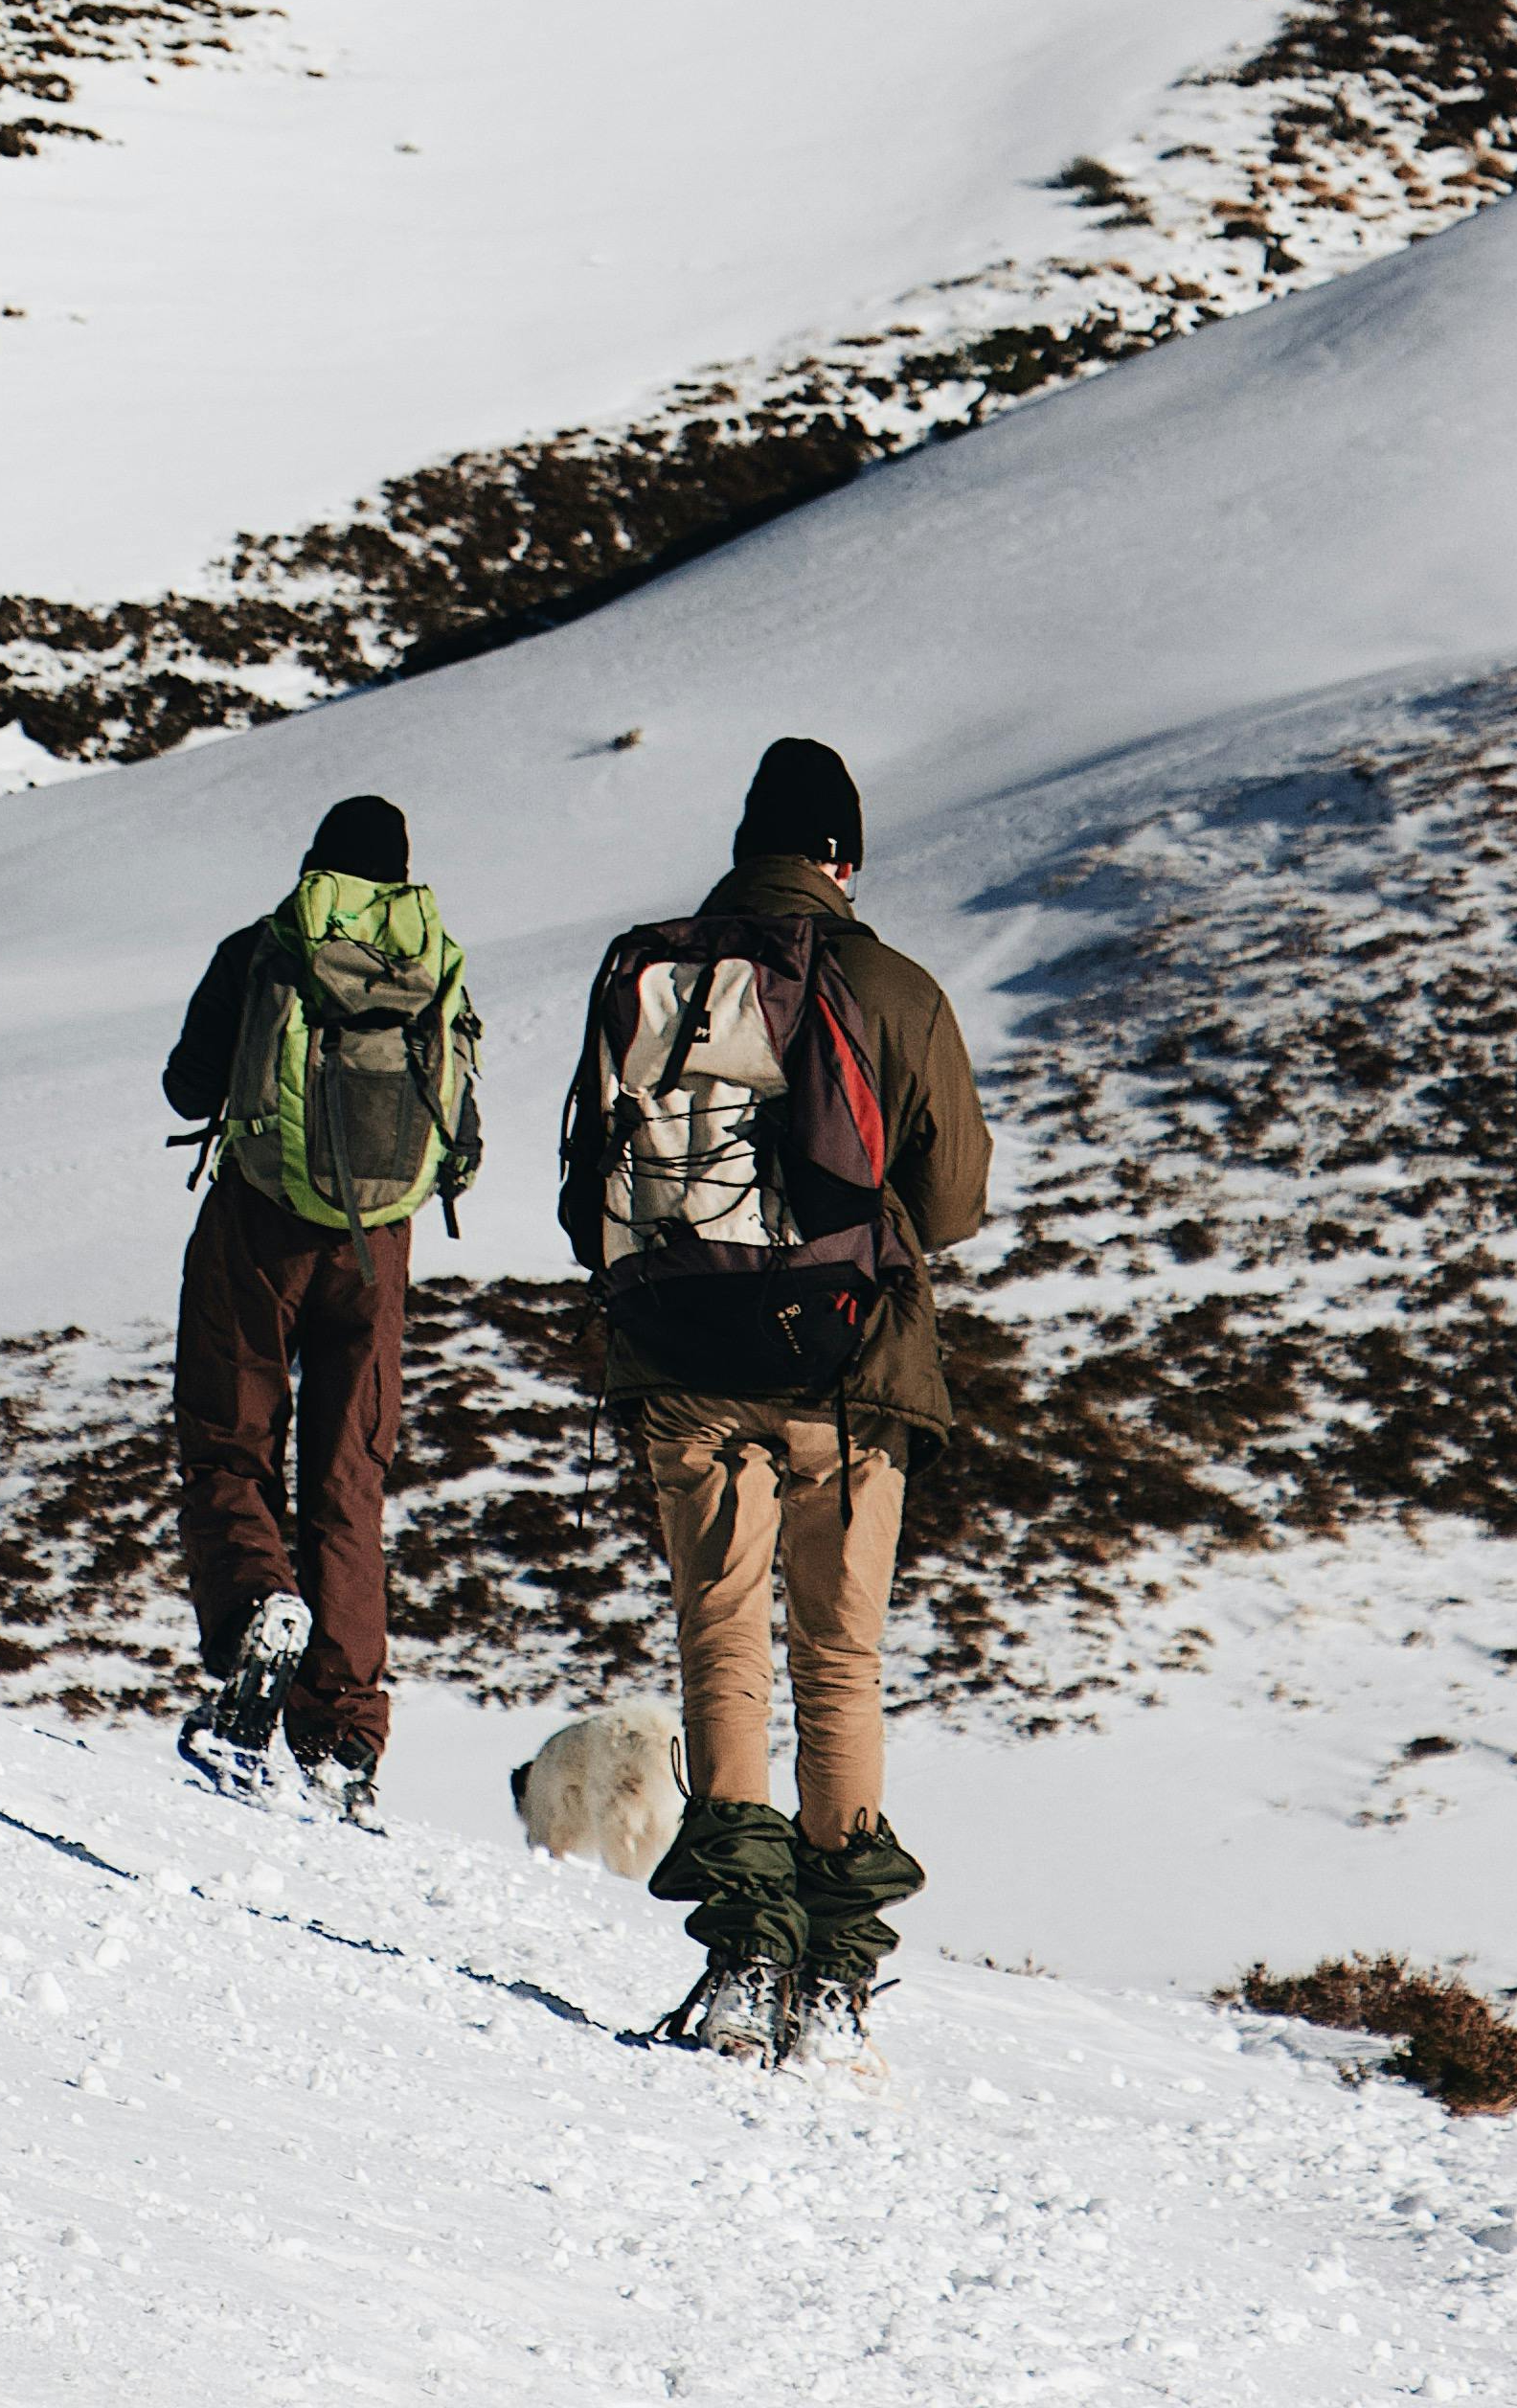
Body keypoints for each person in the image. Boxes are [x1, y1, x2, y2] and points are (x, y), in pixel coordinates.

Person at [560, 734, 989, 2069]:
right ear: (845, 857)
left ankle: (745, 1955)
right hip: (847, 1377)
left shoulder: (653, 969)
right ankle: (837, 1983)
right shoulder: (893, 986)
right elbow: (958, 1199)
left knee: (722, 1640)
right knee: (839, 1660)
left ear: (748, 842)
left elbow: (591, 1187)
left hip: (685, 1360)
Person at [162, 792, 482, 1822]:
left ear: (314, 864)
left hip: (257, 1224)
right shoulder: (435, 959)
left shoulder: (265, 945)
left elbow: (185, 1088)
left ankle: (261, 1613)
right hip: (379, 1244)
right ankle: (343, 1730)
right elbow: (461, 1129)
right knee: (350, 1477)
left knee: (230, 1440)